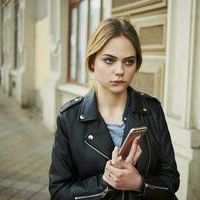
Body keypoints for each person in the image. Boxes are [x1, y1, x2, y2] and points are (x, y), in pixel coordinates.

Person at [49, 18, 180, 200]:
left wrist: (139, 183)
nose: (119, 70)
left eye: (128, 62)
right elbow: (59, 191)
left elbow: (171, 179)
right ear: (92, 61)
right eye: (109, 60)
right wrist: (106, 182)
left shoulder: (152, 110)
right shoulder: (69, 117)